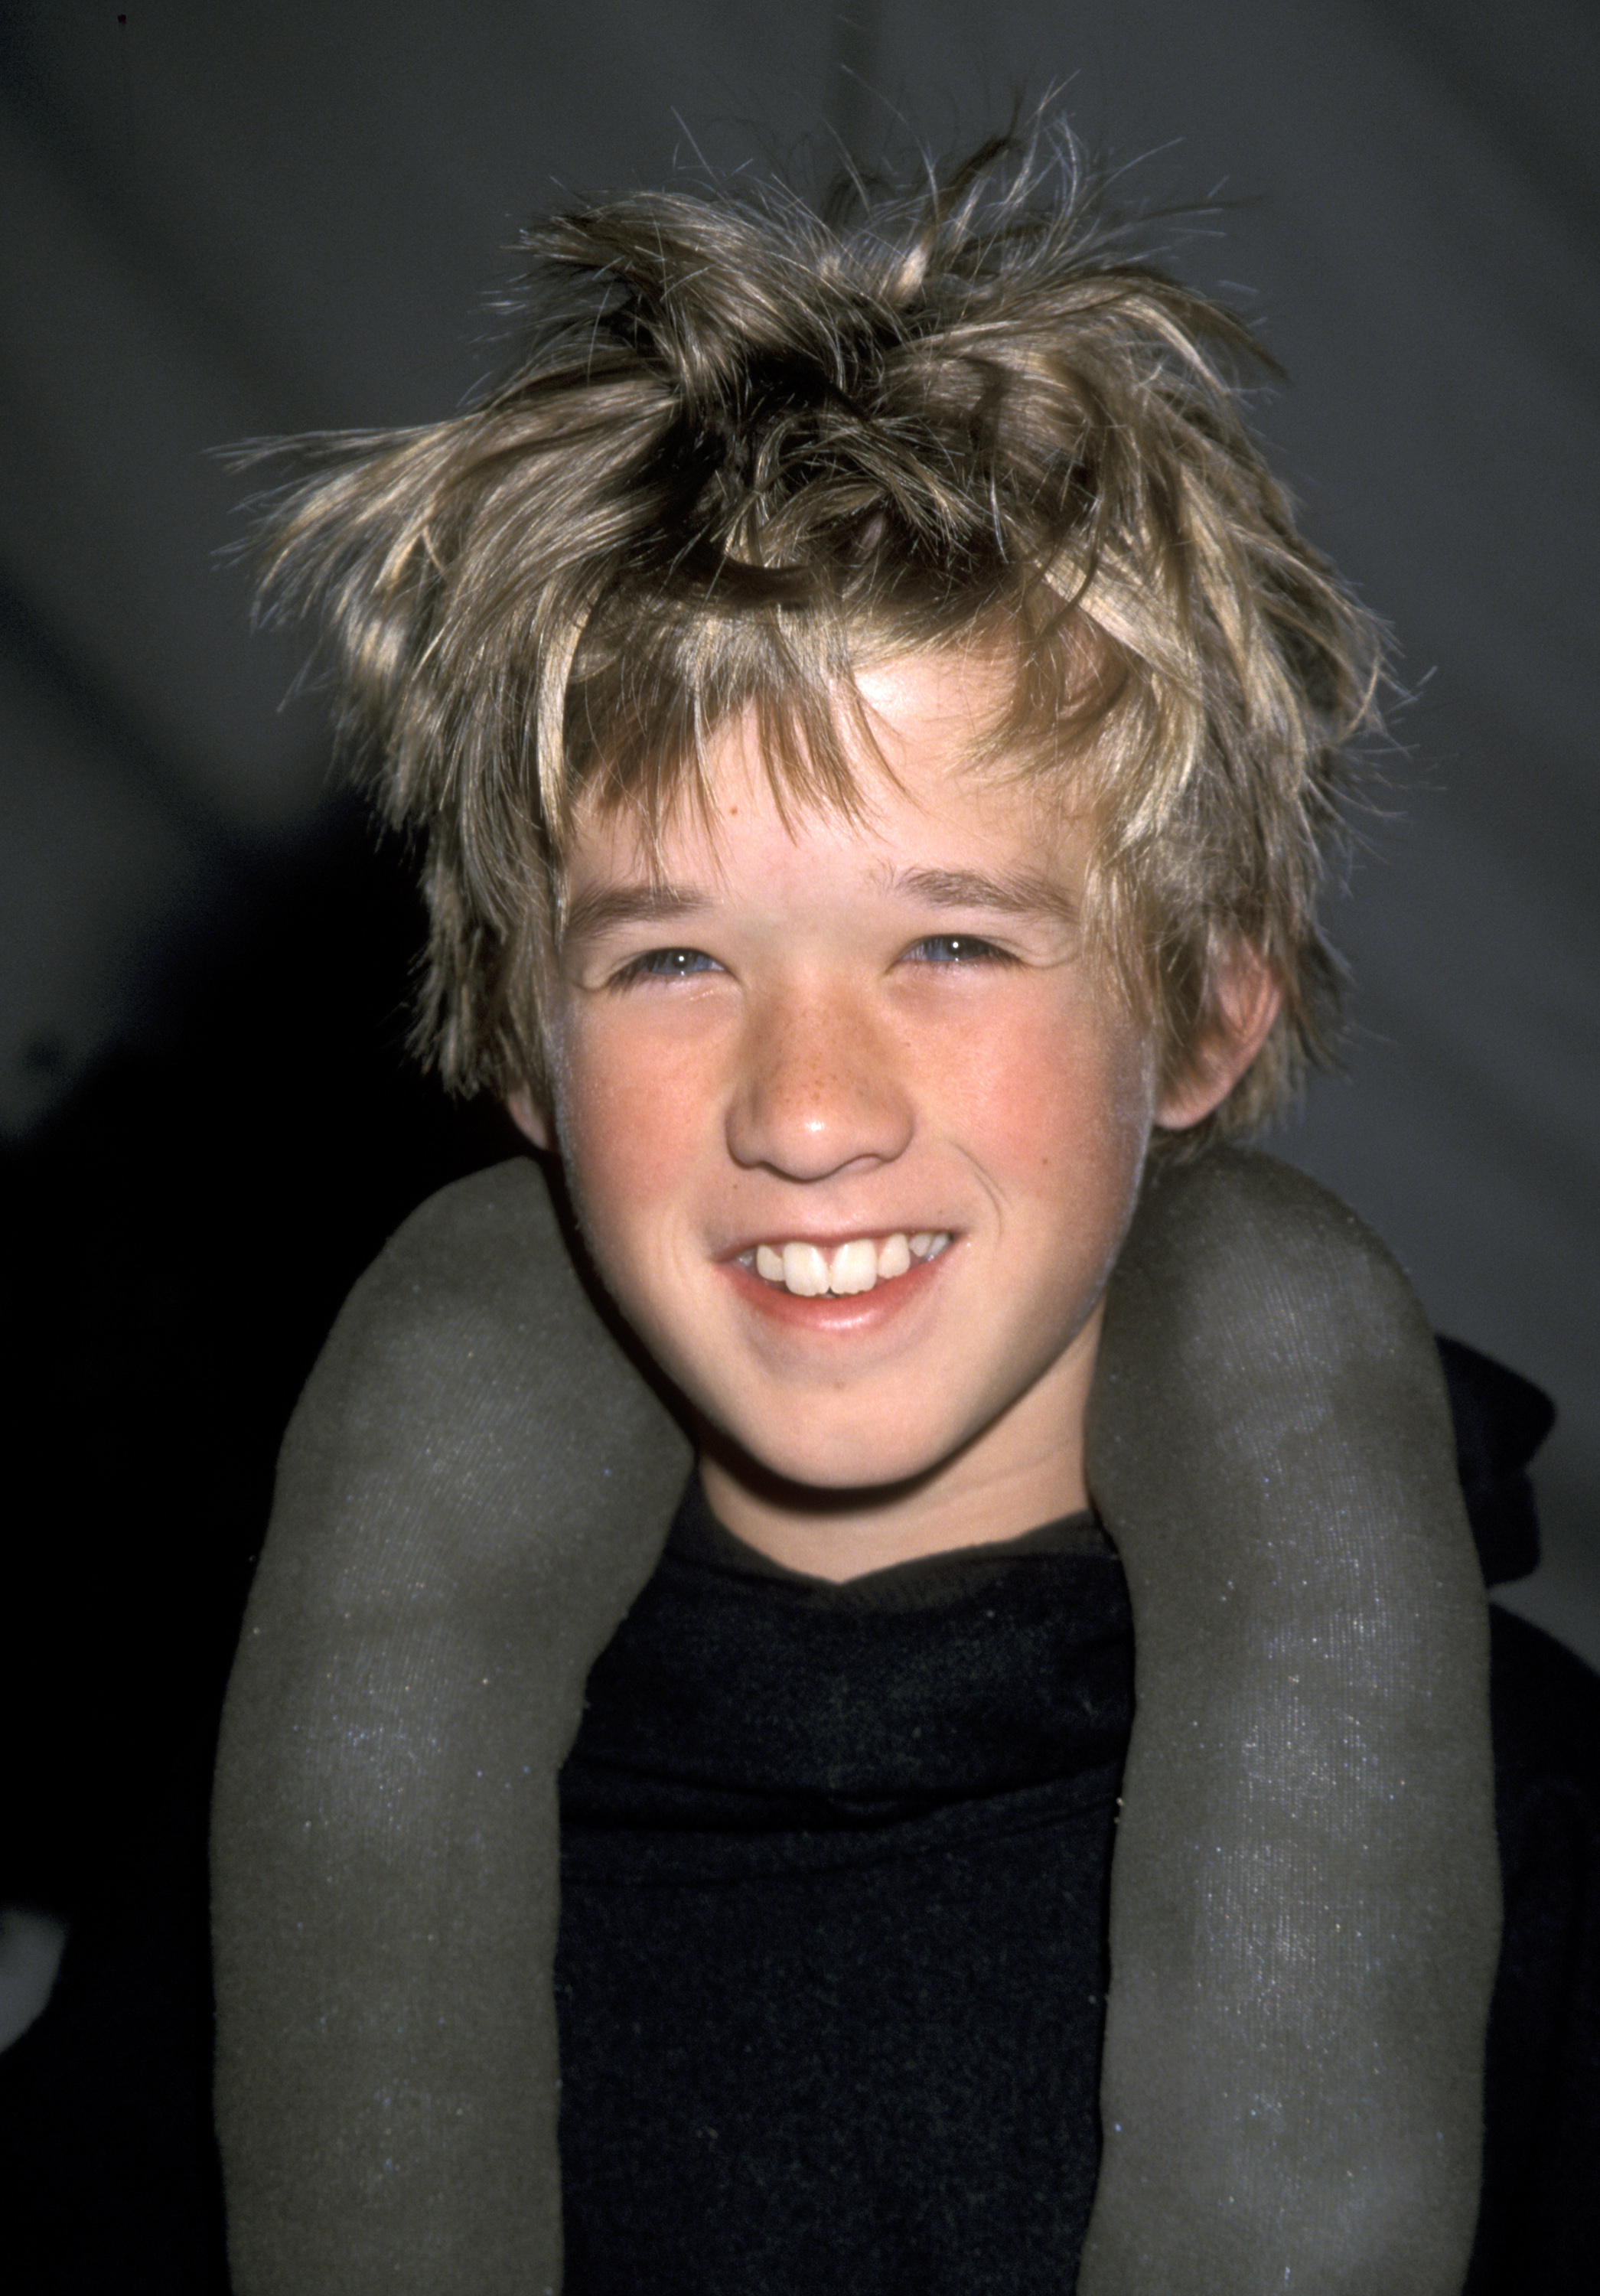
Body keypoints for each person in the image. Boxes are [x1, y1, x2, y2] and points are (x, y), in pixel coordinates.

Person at [210, 130, 1598, 2294]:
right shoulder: (271, 1833)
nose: (808, 1109)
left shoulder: (1545, 1848)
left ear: (1206, 1013)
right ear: (517, 1054)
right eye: (669, 961)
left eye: (952, 945)